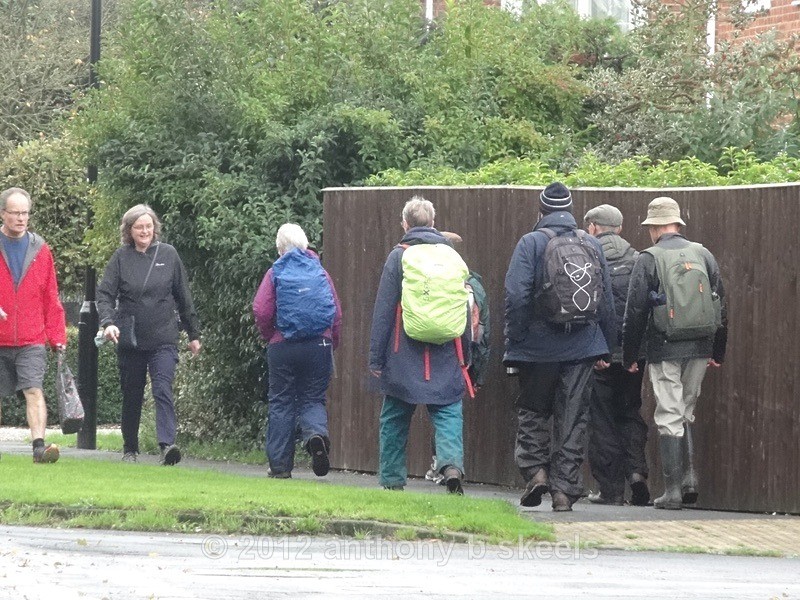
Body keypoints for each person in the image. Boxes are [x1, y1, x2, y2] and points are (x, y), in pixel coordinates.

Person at [504, 182, 616, 511]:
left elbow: (516, 294)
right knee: (572, 420)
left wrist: (517, 339)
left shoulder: (531, 243)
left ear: (540, 211)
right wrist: (607, 347)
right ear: (571, 211)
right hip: (582, 346)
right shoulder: (591, 244)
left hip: (537, 348)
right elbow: (606, 299)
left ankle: (536, 473)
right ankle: (564, 492)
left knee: (534, 413)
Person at [623, 196, 727, 510]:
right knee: (686, 410)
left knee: (668, 413)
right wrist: (717, 352)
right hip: (701, 346)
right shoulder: (703, 254)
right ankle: (690, 479)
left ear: (654, 227)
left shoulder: (649, 258)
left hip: (664, 346)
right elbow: (720, 305)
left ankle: (672, 492)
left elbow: (636, 311)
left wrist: (629, 356)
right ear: (678, 224)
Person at [369, 196, 471, 495]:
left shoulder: (398, 257)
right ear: (433, 223)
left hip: (404, 352)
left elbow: (384, 309)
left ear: (405, 223)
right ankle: (451, 466)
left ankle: (391, 480)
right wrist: (465, 354)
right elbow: (464, 306)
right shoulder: (452, 257)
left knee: (395, 416)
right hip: (446, 349)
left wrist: (376, 358)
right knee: (448, 409)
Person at [96, 204, 201, 466]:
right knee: (131, 393)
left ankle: (167, 445)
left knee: (162, 388)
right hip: (130, 339)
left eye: (148, 226)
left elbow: (183, 296)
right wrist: (108, 322)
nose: (144, 231)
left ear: (155, 228)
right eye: (139, 227)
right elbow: (105, 294)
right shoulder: (120, 257)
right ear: (129, 230)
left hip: (164, 337)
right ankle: (130, 448)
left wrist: (193, 333)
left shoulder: (169, 254)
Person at [253, 223, 342, 479]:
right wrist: (331, 341)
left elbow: (261, 309)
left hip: (283, 346)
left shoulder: (275, 272)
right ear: (305, 246)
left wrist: (271, 335)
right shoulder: (320, 272)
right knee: (312, 398)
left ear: (280, 248)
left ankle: (280, 467)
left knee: (281, 401)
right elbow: (336, 312)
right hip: (319, 345)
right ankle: (315, 435)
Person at [583, 204, 650, 506]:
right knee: (630, 412)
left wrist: (598, 350)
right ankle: (636, 473)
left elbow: (590, 308)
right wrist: (636, 353)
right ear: (620, 229)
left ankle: (610, 490)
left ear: (593, 228)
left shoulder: (589, 259)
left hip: (601, 355)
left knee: (602, 419)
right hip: (635, 356)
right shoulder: (639, 259)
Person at [0, 187, 66, 463]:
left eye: (25, 213)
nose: (21, 218)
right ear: (3, 213)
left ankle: (39, 447)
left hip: (31, 338)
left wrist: (57, 336)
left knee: (34, 389)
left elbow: (51, 296)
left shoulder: (41, 250)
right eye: (15, 213)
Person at [424, 231, 490, 485]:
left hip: (429, 354)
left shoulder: (424, 279)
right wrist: (478, 373)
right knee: (449, 410)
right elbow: (483, 331)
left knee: (434, 410)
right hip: (463, 356)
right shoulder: (473, 284)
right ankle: (450, 466)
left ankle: (438, 464)